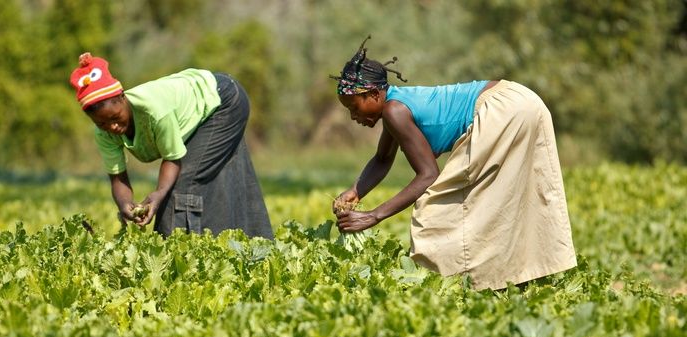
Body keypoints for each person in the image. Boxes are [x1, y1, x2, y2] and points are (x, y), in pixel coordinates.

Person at [331, 36, 576, 290]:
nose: (353, 116)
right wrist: (355, 191)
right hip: (522, 100)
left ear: (373, 95)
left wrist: (373, 216)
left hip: (502, 110)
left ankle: (466, 285)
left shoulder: (394, 111)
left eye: (354, 107)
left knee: (435, 210)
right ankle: (516, 279)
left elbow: (428, 176)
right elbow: (382, 160)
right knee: (503, 202)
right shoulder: (395, 105)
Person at [69, 53, 273, 239]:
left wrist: (158, 194)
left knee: (181, 186)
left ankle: (173, 253)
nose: (112, 126)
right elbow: (117, 176)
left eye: (115, 117)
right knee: (216, 179)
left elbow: (173, 158)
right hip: (204, 103)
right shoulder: (104, 133)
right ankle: (247, 245)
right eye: (102, 123)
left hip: (223, 100)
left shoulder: (154, 111)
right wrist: (125, 204)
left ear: (123, 97)